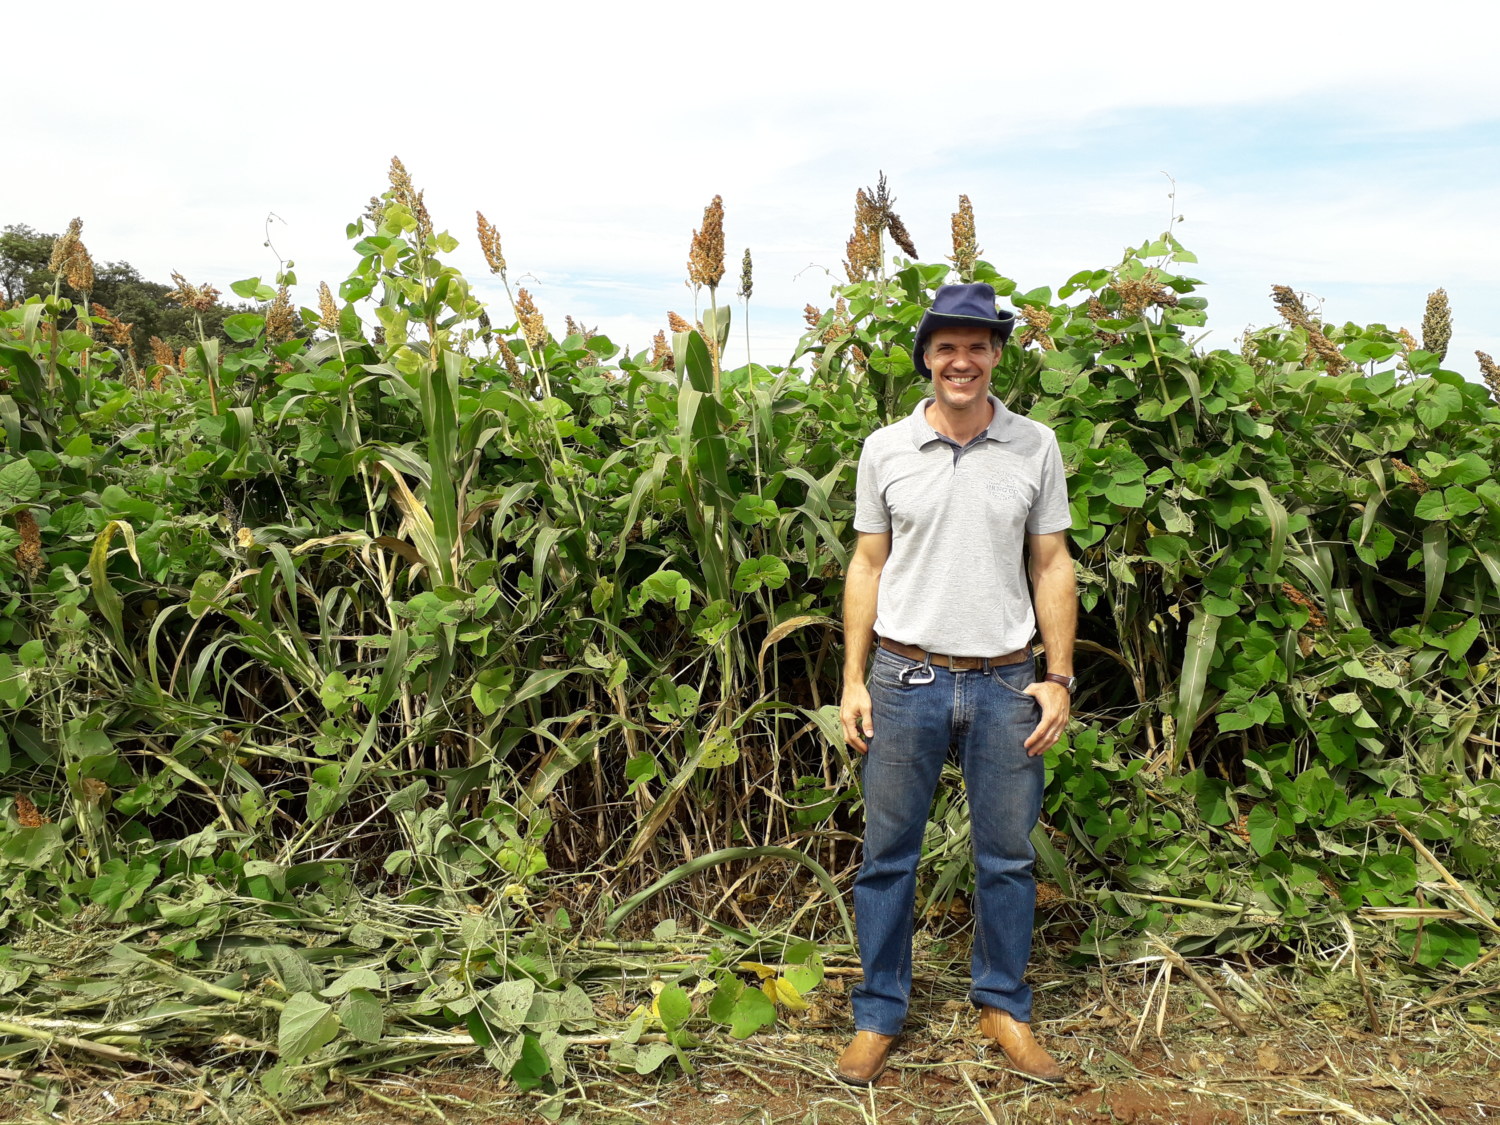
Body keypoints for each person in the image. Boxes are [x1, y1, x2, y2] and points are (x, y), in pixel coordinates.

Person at [835, 282, 1077, 1086]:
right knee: (886, 856)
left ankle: (1004, 1004)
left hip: (1009, 682)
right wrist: (853, 678)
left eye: (977, 345)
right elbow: (867, 563)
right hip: (905, 676)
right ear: (927, 357)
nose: (962, 360)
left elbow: (1051, 563)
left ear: (998, 354)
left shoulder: (1034, 445)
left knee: (1007, 857)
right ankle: (878, 1013)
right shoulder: (886, 449)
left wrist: (1059, 675)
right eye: (947, 346)